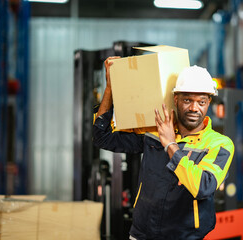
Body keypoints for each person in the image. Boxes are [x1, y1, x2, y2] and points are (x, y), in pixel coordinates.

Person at [93, 56, 234, 240]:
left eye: (201, 102)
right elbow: (102, 137)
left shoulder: (219, 144)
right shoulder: (155, 131)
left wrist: (170, 144)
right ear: (175, 99)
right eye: (187, 100)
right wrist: (111, 88)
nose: (194, 108)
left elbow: (203, 187)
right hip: (141, 234)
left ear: (208, 102)